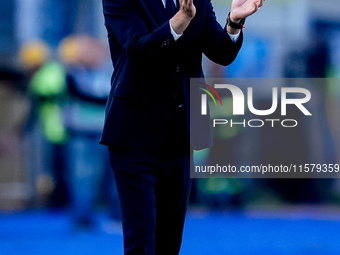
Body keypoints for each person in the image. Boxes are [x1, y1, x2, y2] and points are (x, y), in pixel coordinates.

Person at [101, 0, 264, 254]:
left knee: (170, 242)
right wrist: (179, 22)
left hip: (183, 132)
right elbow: (138, 48)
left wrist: (234, 22)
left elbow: (221, 52)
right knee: (141, 243)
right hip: (134, 132)